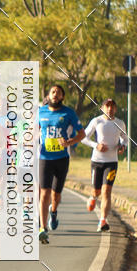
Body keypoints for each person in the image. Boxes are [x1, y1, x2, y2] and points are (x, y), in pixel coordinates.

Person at [38, 84, 85, 244]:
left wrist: (69, 142)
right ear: (49, 95)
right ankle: (43, 228)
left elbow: (82, 133)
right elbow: (30, 131)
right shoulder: (40, 112)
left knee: (55, 195)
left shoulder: (68, 113)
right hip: (44, 157)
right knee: (44, 193)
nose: (55, 94)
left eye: (58, 92)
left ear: (62, 97)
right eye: (53, 92)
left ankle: (54, 211)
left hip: (62, 159)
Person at [82, 98, 127, 232]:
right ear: (102, 108)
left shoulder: (120, 123)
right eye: (107, 106)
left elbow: (125, 139)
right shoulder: (97, 121)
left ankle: (103, 220)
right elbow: (84, 138)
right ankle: (93, 197)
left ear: (116, 109)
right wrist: (96, 146)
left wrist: (122, 146)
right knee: (97, 190)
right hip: (97, 161)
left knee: (106, 191)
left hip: (112, 162)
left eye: (112, 106)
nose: (110, 109)